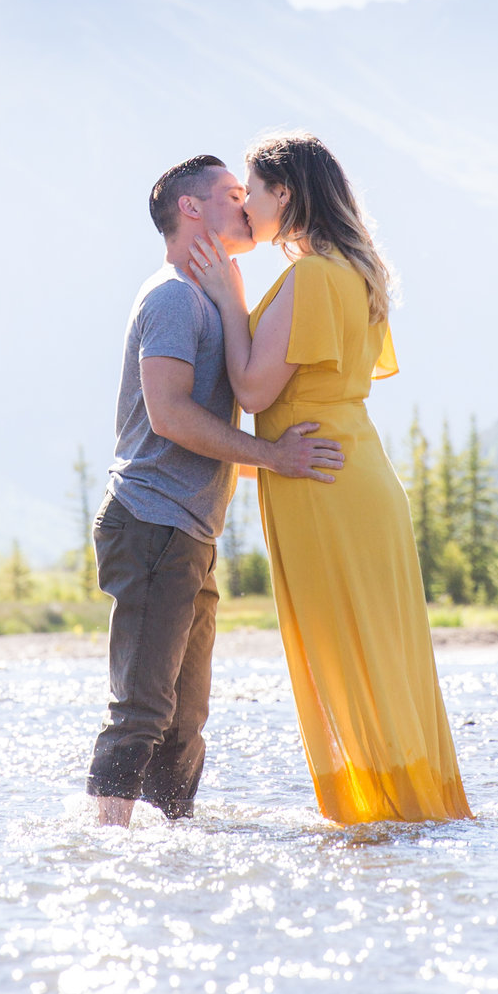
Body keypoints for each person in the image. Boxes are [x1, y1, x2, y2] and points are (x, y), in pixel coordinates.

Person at [183, 131, 472, 824]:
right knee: (378, 651)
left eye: (251, 190)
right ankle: (412, 808)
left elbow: (254, 391)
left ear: (283, 193)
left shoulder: (312, 275)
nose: (246, 205)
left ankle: (378, 813)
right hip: (351, 469)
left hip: (322, 478)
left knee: (343, 652)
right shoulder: (353, 268)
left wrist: (228, 295)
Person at [87, 154, 346, 825]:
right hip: (150, 523)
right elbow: (172, 417)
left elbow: (214, 424)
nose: (247, 205)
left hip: (186, 533)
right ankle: (104, 855)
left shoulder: (206, 300)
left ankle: (176, 848)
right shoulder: (174, 297)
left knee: (183, 720)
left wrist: (288, 461)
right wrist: (274, 456)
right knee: (142, 707)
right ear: (191, 210)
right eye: (232, 194)